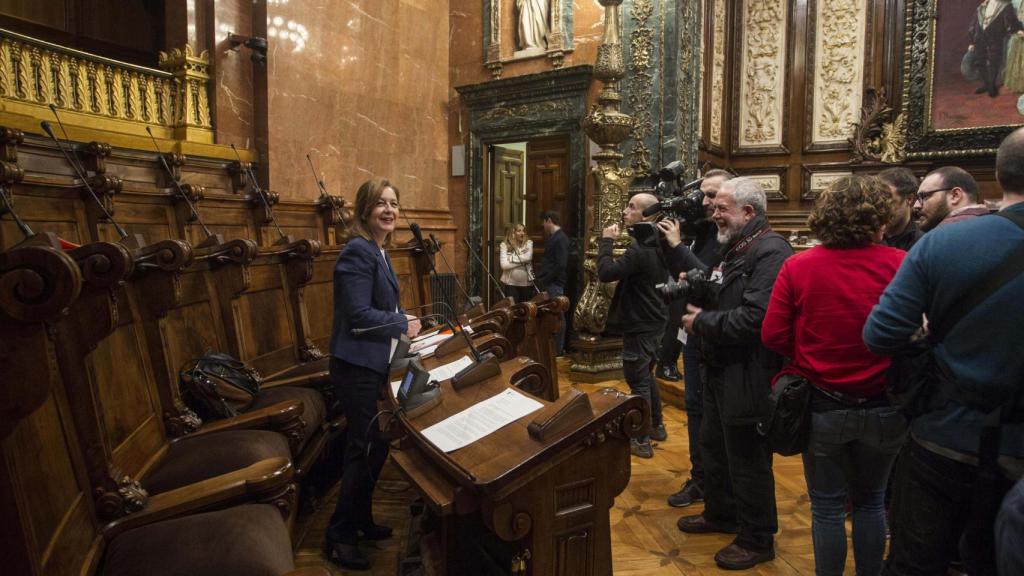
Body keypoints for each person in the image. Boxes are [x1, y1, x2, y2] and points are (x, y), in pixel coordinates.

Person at [863, 127, 1024, 576]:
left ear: (998, 173)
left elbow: (880, 335)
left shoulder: (945, 241)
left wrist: (925, 336)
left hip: (946, 436)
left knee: (917, 562)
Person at [761, 175, 908, 576]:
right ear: (880, 217)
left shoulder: (799, 265)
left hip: (822, 403)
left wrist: (810, 350)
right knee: (871, 501)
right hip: (885, 403)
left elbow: (773, 335)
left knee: (826, 507)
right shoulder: (900, 263)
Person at [662, 177, 792, 570]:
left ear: (748, 212)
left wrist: (702, 322)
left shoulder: (771, 251)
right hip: (721, 367)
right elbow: (723, 293)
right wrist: (697, 288)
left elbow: (757, 318)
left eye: (722, 208)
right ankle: (720, 514)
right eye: (714, 206)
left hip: (750, 371)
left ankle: (757, 539)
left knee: (748, 458)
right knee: (715, 446)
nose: (713, 212)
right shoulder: (734, 245)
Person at [325, 177, 422, 570]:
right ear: (364, 210)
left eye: (394, 203)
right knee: (363, 449)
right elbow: (357, 315)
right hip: (356, 366)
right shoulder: (357, 252)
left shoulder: (379, 251)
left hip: (374, 361)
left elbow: (381, 309)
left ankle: (361, 520)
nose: (389, 210)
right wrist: (401, 322)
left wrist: (405, 323)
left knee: (377, 446)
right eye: (381, 203)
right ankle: (340, 536)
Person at [658, 168, 732, 508]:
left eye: (712, 194)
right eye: (703, 194)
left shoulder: (730, 235)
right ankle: (700, 478)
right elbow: (686, 274)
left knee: (712, 414)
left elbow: (710, 280)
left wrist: (677, 245)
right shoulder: (703, 231)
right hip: (692, 333)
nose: (704, 202)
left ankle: (715, 483)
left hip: (717, 334)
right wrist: (670, 244)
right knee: (694, 408)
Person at [597, 193, 669, 458]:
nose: (625, 212)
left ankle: (640, 439)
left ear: (647, 214)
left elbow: (606, 273)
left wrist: (606, 241)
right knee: (646, 375)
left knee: (638, 380)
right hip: (655, 319)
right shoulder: (661, 242)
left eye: (631, 207)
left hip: (640, 322)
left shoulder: (640, 249)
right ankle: (656, 426)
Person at [968, 0, 1024, 97]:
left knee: (993, 61)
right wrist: (971, 42)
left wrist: (1018, 30)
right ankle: (985, 83)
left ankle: (991, 85)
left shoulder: (1006, 6)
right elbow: (973, 24)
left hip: (995, 38)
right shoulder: (983, 6)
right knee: (979, 61)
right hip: (979, 38)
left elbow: (1012, 21)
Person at [914, 166, 989, 232]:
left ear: (955, 195)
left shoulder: (938, 238)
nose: (916, 205)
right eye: (918, 198)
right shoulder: (995, 225)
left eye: (924, 196)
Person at [536, 210, 569, 354]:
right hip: (551, 283)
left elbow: (561, 264)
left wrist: (546, 278)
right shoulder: (554, 237)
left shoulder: (560, 238)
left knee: (557, 316)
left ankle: (558, 350)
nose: (543, 226)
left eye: (543, 223)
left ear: (549, 220)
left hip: (555, 283)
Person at [878, 167, 924, 251]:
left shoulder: (923, 242)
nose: (881, 209)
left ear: (909, 199)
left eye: (888, 200)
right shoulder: (869, 238)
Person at [499, 223, 536, 303]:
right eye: (519, 231)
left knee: (526, 308)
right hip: (510, 284)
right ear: (513, 233)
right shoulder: (504, 245)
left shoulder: (529, 243)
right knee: (513, 308)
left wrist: (511, 258)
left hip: (527, 284)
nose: (522, 233)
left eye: (523, 231)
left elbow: (528, 257)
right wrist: (523, 262)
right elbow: (504, 266)